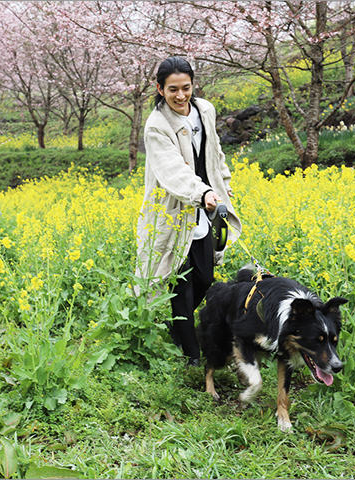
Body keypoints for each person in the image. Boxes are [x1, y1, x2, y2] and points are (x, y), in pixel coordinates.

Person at [135, 56, 241, 366]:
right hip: (174, 208)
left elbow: (215, 152)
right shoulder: (157, 125)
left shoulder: (204, 110)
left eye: (186, 88)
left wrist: (222, 182)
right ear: (160, 89)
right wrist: (202, 191)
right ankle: (191, 352)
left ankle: (176, 326)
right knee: (181, 279)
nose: (180, 96)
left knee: (205, 277)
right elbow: (171, 171)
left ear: (193, 86)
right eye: (172, 90)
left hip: (204, 207)